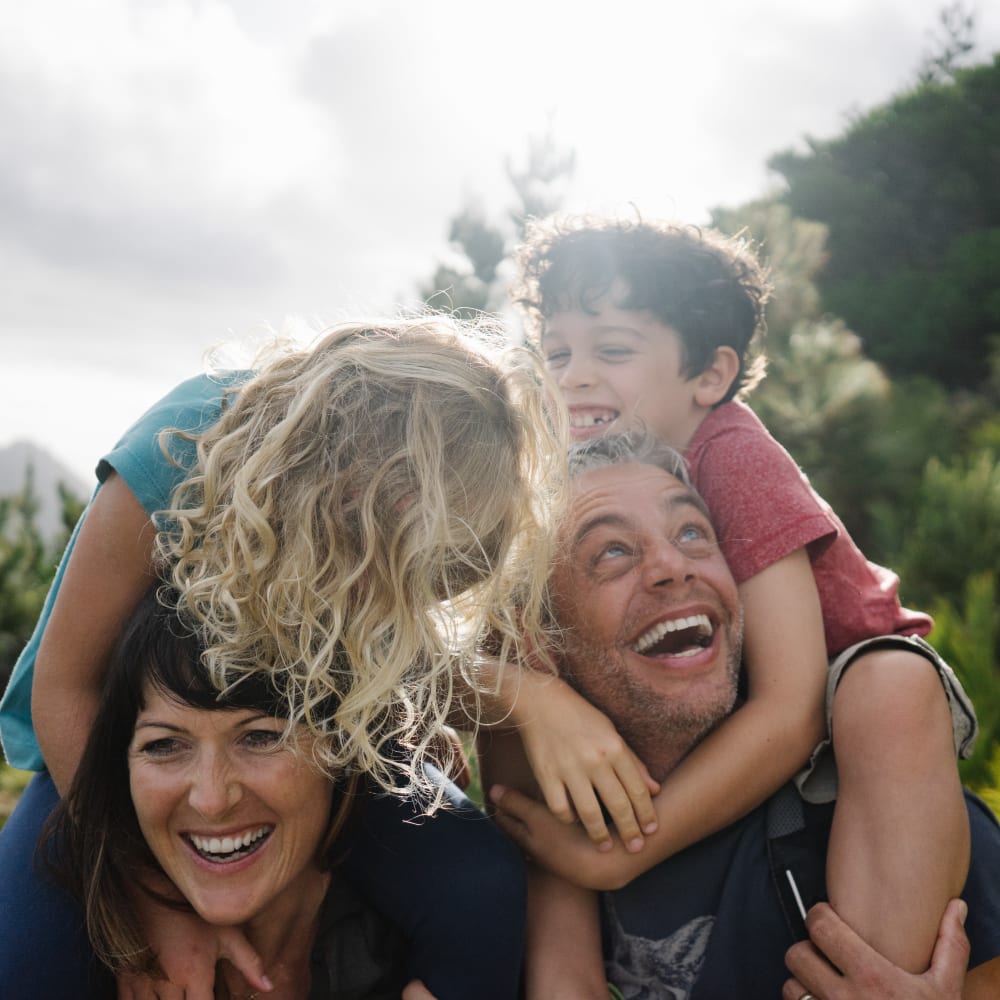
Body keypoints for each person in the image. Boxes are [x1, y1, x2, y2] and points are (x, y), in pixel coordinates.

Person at [0, 315, 564, 1000]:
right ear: (361, 479)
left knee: (481, 885)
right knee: (26, 964)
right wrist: (157, 903)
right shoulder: (178, 449)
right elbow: (63, 690)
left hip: (311, 750)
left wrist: (402, 724)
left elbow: (380, 642)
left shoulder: (400, 522)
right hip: (115, 758)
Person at [503, 212, 977, 977]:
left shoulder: (733, 456)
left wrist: (622, 858)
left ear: (710, 376)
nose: (572, 377)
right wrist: (523, 690)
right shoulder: (563, 490)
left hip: (851, 701)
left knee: (887, 690)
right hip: (784, 712)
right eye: (556, 353)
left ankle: (872, 975)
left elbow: (790, 710)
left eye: (612, 350)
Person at [490, 432, 1000, 998]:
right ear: (541, 638)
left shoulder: (879, 806)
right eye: (612, 550)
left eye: (692, 534)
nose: (672, 566)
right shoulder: (556, 832)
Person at [45, 585, 424, 998]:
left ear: (342, 748)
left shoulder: (430, 957)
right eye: (164, 745)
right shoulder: (55, 965)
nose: (211, 801)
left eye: (260, 737)